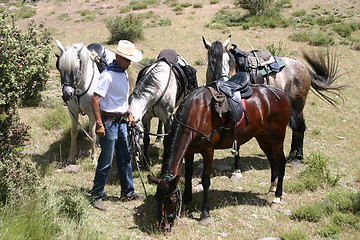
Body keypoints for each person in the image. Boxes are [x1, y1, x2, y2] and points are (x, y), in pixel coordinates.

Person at [90, 40, 143, 211]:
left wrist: (128, 112)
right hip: (109, 122)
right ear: (119, 58)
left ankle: (127, 191)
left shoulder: (123, 73)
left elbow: (120, 98)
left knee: (125, 157)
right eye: (127, 60)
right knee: (106, 159)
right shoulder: (107, 75)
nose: (129, 63)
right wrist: (99, 123)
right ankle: (96, 195)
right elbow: (95, 98)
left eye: (130, 60)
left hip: (121, 122)